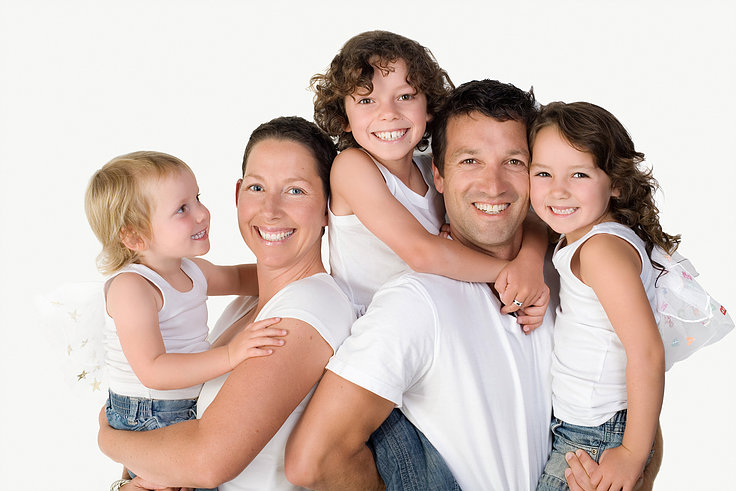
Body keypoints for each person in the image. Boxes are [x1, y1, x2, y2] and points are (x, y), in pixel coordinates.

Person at [285, 79, 556, 490]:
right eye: (470, 161)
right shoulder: (415, 303)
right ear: (439, 175)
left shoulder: (565, 273)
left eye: (514, 162)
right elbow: (313, 462)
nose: (494, 184)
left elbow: (628, 422)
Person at [97, 116, 356, 490]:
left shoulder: (307, 309)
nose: (270, 210)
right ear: (237, 194)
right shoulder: (252, 303)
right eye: (256, 187)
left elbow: (206, 464)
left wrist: (108, 439)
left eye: (295, 191)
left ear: (329, 205)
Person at [312, 31, 548, 327]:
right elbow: (422, 253)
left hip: (428, 317)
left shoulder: (429, 168)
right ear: (344, 117)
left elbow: (530, 215)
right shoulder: (352, 167)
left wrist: (530, 262)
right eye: (367, 100)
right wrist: (512, 273)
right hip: (368, 327)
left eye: (405, 96)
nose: (388, 114)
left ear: (428, 106)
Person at [85, 152, 286, 479]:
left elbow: (240, 278)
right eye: (182, 209)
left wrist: (292, 270)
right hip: (148, 414)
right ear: (135, 236)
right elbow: (153, 371)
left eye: (197, 199)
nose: (202, 213)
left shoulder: (191, 270)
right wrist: (231, 354)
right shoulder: (132, 288)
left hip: (183, 403)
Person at [529, 102, 677, 491]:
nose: (558, 189)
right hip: (588, 426)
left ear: (616, 183)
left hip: (596, 433)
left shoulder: (600, 250)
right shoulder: (586, 236)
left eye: (579, 174)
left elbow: (647, 352)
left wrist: (631, 454)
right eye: (543, 173)